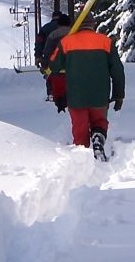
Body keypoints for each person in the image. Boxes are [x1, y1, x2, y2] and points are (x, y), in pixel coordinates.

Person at [46, 13, 125, 160]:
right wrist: (119, 95)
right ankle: (98, 137)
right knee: (99, 122)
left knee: (80, 131)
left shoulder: (66, 42)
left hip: (76, 97)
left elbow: (53, 65)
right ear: (93, 24)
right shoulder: (105, 42)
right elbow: (118, 71)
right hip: (100, 95)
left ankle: (82, 161)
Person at [40, 13, 72, 112]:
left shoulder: (53, 35)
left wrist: (45, 66)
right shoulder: (73, 33)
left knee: (53, 83)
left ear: (58, 24)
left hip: (56, 68)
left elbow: (47, 51)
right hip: (72, 67)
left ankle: (52, 96)